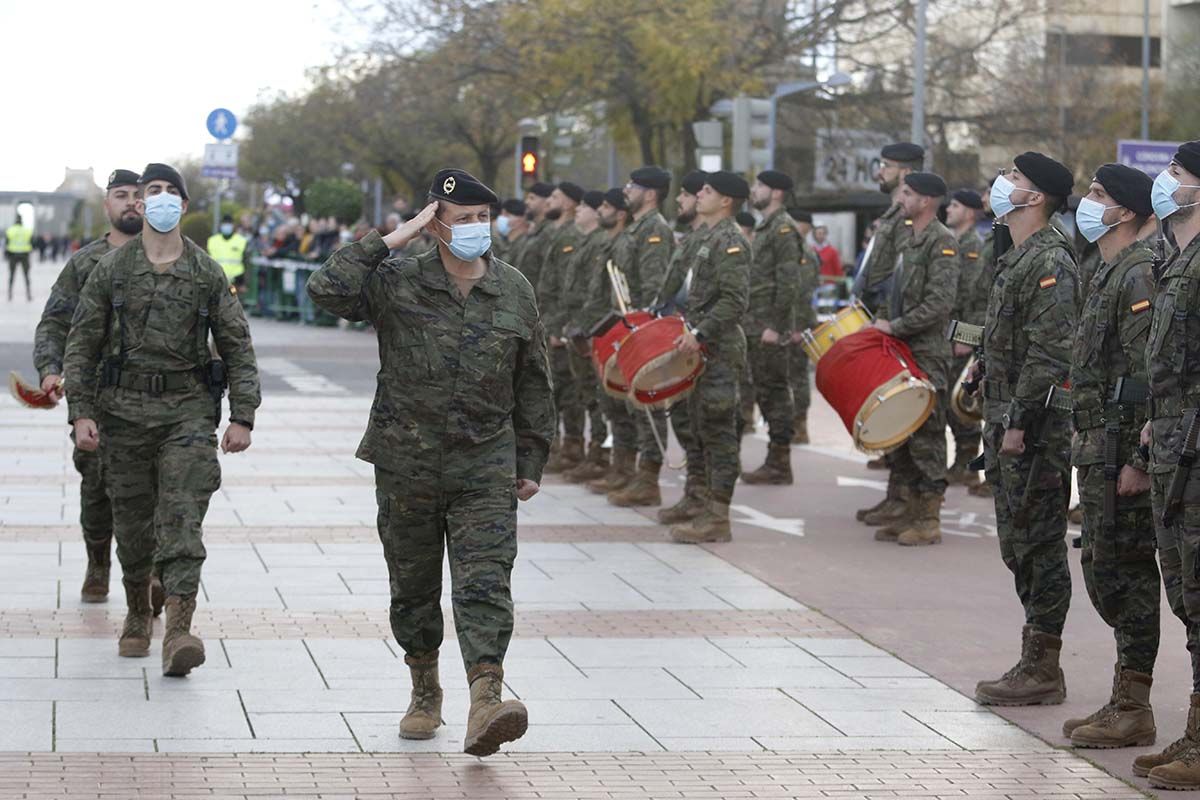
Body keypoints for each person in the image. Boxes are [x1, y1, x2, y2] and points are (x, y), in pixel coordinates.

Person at [307, 168, 554, 757]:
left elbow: (534, 379)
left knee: (485, 581)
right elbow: (326, 289)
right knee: (413, 587)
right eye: (461, 219)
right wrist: (391, 238)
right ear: (435, 223)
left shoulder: (513, 287)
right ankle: (424, 689)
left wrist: (532, 456)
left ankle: (487, 697)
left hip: (484, 464)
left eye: (481, 218)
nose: (475, 229)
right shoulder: (398, 280)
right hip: (405, 461)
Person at [63, 163, 260, 677]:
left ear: (184, 206)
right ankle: (136, 612)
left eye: (173, 192)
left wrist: (243, 416)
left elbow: (237, 345)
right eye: (155, 192)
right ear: (142, 205)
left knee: (182, 518)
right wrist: (81, 412)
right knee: (131, 523)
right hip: (121, 414)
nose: (163, 199)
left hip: (187, 413)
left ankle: (178, 628)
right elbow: (82, 343)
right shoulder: (112, 269)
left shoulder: (206, 271)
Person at [973, 151, 1078, 706]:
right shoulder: (1014, 252)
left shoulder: (1050, 259)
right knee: (1017, 543)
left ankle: (1044, 666)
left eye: (1014, 179)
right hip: (1005, 419)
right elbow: (1011, 338)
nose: (1002, 184)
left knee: (1038, 543)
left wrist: (1018, 421)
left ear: (1035, 198)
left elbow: (1050, 351)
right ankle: (1035, 659)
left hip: (1032, 428)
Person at [1060, 163, 1158, 750]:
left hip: (1121, 454)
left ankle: (1134, 705)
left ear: (1124, 210)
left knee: (1128, 575)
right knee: (1103, 570)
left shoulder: (1138, 274)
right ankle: (1124, 695)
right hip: (1096, 452)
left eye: (1099, 195)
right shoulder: (1105, 270)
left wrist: (1137, 462)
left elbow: (1148, 378)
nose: (1088, 203)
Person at [33, 169, 151, 605]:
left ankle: (152, 571)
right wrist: (49, 368)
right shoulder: (85, 262)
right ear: (107, 205)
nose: (132, 203)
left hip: (156, 400)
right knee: (97, 487)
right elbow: (54, 322)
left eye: (140, 195)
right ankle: (98, 558)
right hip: (97, 397)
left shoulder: (168, 257)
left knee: (156, 487)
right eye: (122, 195)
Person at [1136, 141, 1200, 788]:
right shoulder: (1178, 262)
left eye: (1177, 175)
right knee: (1185, 592)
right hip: (1175, 447)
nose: (1166, 182)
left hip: (1196, 453)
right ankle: (1194, 732)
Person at [658, 171, 750, 543]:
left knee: (719, 431)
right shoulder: (705, 237)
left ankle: (718, 516)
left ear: (725, 200)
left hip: (719, 349)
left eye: (708, 190)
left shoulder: (731, 241)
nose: (700, 194)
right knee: (698, 427)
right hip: (700, 349)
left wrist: (699, 333)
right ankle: (701, 502)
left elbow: (734, 301)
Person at [869, 173, 959, 546]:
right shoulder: (906, 238)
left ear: (926, 201)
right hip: (903, 348)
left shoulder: (942, 242)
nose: (900, 198)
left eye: (907, 193)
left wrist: (898, 326)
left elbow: (940, 303)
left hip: (927, 351)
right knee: (904, 428)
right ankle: (908, 507)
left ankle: (928, 516)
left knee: (927, 431)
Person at [606, 167, 675, 509]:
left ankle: (649, 479)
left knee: (648, 404)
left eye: (632, 186)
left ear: (650, 194)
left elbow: (652, 287)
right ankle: (638, 474)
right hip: (628, 326)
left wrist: (643, 325)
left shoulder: (655, 231)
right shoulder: (637, 229)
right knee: (633, 405)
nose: (626, 189)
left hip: (642, 327)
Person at [654, 170, 711, 523]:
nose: (682, 200)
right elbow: (671, 285)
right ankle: (695, 496)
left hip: (705, 343)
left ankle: (713, 509)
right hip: (683, 337)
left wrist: (700, 332)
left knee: (710, 429)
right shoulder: (691, 238)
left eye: (689, 195)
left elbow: (730, 299)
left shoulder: (724, 240)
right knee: (687, 422)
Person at [741, 170, 801, 485]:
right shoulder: (766, 228)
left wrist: (777, 327)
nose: (754, 189)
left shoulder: (782, 229)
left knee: (775, 393)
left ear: (776, 192)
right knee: (765, 392)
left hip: (769, 327)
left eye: (760, 185)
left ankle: (780, 462)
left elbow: (789, 283)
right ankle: (775, 460)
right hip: (757, 324)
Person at [581, 189, 638, 496]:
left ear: (620, 213)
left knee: (622, 405)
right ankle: (620, 466)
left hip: (616, 332)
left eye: (605, 206)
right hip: (601, 332)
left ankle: (629, 469)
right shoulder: (609, 243)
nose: (598, 210)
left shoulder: (624, 244)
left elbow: (626, 293)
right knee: (609, 404)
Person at [560, 190, 610, 482]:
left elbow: (595, 292)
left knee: (596, 395)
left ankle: (601, 454)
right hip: (578, 325)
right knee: (585, 393)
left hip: (591, 327)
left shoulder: (599, 243)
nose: (578, 211)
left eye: (584, 207)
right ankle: (593, 452)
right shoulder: (586, 242)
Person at [538, 182, 586, 473]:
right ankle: (558, 445)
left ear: (569, 203)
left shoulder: (571, 236)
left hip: (560, 322)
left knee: (569, 391)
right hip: (549, 319)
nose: (548, 202)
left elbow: (570, 287)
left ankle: (573, 446)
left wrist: (560, 324)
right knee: (553, 387)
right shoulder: (557, 233)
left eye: (555, 197)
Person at [851, 142, 923, 313]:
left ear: (905, 173)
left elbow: (904, 278)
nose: (878, 172)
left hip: (892, 322)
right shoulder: (891, 217)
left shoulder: (910, 218)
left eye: (886, 166)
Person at [946, 189, 986, 488]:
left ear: (970, 213)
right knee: (948, 399)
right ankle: (961, 461)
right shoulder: (955, 241)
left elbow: (974, 298)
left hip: (961, 334)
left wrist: (966, 338)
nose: (949, 209)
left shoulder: (973, 246)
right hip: (950, 331)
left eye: (956, 205)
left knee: (960, 401)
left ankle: (967, 462)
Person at [787, 209, 820, 444]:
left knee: (797, 377)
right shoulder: (792, 251)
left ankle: (800, 426)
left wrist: (798, 327)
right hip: (786, 323)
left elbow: (803, 294)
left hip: (797, 324)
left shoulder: (805, 255)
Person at [207, 214, 249, 294]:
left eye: (228, 224)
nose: (226, 226)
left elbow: (247, 263)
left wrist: (244, 283)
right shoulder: (212, 241)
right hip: (217, 282)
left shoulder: (241, 241)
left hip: (235, 282)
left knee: (233, 301)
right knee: (217, 304)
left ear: (233, 225)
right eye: (224, 224)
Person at [6, 213, 34, 301]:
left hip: (13, 255)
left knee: (12, 275)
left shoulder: (10, 230)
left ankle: (10, 293)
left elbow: (7, 243)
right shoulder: (27, 230)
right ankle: (28, 294)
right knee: (26, 275)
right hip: (24, 254)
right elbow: (31, 242)